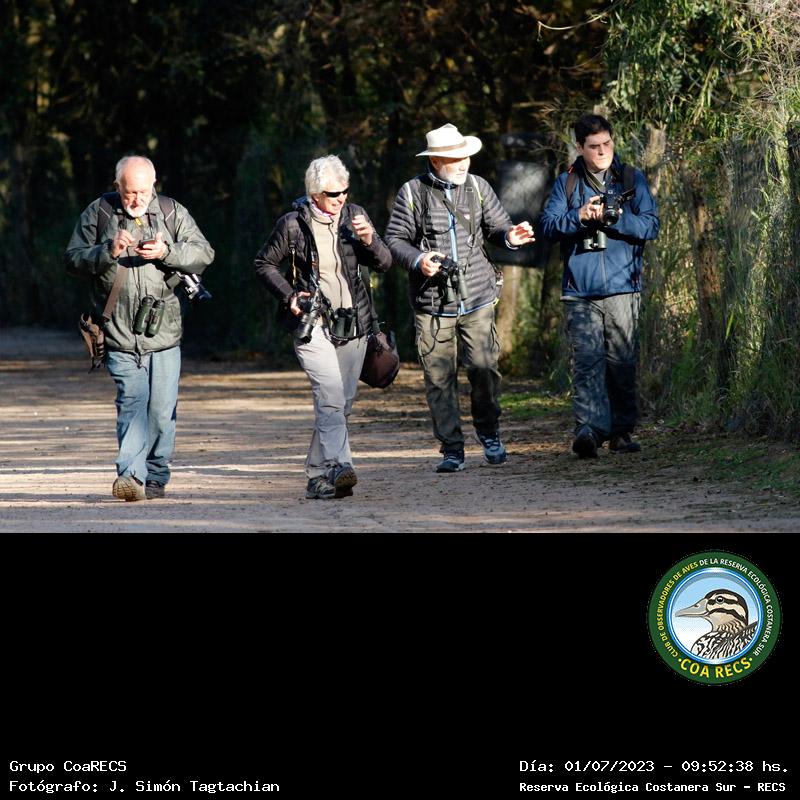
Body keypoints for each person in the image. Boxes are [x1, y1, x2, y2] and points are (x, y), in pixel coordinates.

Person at [384, 122, 535, 473]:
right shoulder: (412, 192)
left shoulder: (478, 187)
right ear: (435, 161)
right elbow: (394, 240)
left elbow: (498, 228)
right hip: (431, 303)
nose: (464, 163)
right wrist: (419, 260)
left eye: (466, 156)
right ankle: (452, 448)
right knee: (439, 379)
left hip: (478, 295)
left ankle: (490, 433)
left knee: (484, 368)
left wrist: (511, 236)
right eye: (456, 158)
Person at [65, 155, 214, 500]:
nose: (136, 199)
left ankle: (156, 474)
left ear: (153, 185)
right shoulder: (99, 212)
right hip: (117, 333)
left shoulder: (172, 212)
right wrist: (108, 250)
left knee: (161, 412)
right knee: (132, 403)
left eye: (143, 192)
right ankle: (131, 476)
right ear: (117, 186)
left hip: (164, 333)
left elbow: (204, 253)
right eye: (129, 192)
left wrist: (167, 252)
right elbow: (72, 259)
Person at [253, 155, 392, 499]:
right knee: (330, 396)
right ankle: (341, 466)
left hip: (354, 323)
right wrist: (289, 295)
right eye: (333, 194)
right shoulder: (292, 224)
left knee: (341, 405)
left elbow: (385, 263)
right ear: (315, 194)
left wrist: (370, 239)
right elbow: (264, 263)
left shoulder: (355, 216)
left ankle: (317, 477)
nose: (341, 198)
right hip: (312, 324)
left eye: (345, 191)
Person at [538, 113, 660, 458]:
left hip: (624, 285)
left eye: (607, 143)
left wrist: (616, 218)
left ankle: (622, 432)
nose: (603, 151)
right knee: (587, 362)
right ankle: (588, 431)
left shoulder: (631, 179)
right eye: (594, 146)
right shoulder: (567, 183)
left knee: (622, 362)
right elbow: (548, 227)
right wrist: (579, 217)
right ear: (580, 147)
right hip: (580, 290)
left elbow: (650, 226)